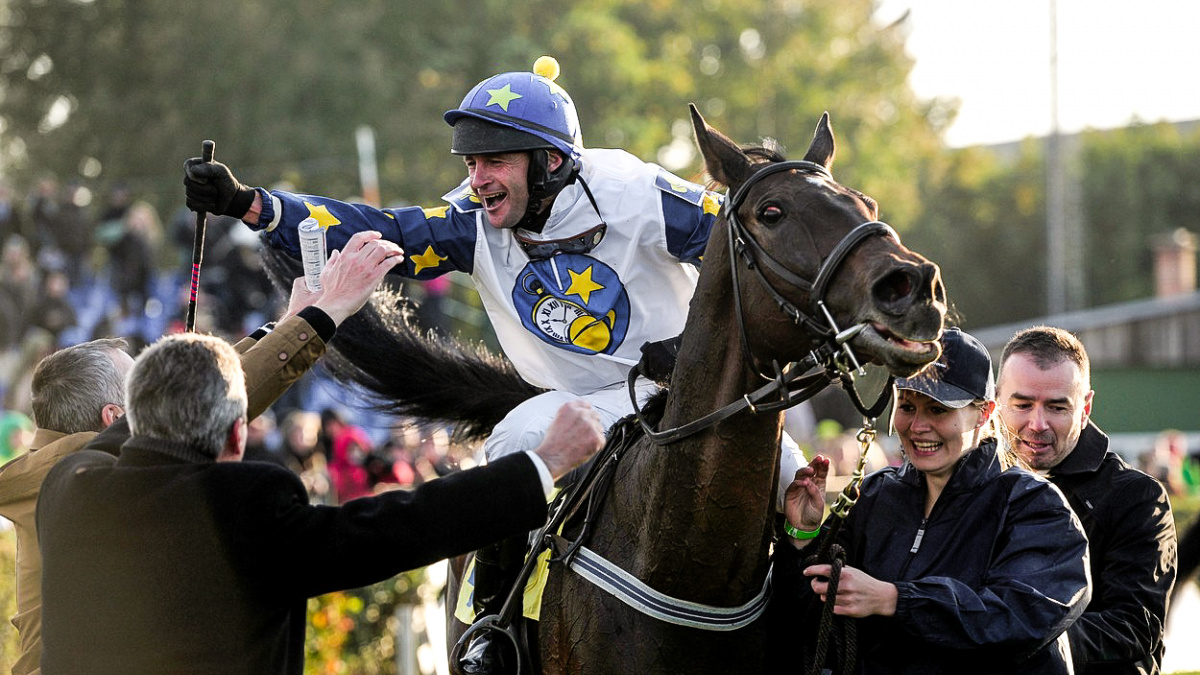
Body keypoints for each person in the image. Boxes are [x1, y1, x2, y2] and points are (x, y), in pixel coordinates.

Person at [184, 55, 807, 667]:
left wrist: (707, 339)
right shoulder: (471, 221)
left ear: (553, 161)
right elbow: (374, 229)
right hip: (580, 402)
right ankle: (491, 625)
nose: (478, 178)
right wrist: (252, 204)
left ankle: (816, 631)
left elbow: (746, 242)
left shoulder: (638, 191)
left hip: (690, 389)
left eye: (494, 161)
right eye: (473, 162)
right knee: (512, 442)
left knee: (792, 474)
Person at [36, 337, 605, 675]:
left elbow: (133, 431)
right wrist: (543, 463)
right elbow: (397, 528)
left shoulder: (68, 488)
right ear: (238, 436)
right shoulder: (244, 507)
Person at [0, 229, 397, 675]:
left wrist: (288, 324)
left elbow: (204, 392)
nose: (155, 399)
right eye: (142, 393)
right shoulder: (76, 474)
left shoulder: (57, 465)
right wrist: (322, 316)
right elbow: (209, 403)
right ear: (116, 418)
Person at [770, 327, 1090, 674]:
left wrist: (895, 599)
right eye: (907, 406)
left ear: (985, 413)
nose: (918, 426)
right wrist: (800, 536)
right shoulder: (873, 496)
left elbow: (1021, 617)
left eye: (938, 409)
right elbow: (801, 617)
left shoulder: (1036, 507)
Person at [997, 326, 1177, 675]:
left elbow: (1134, 627)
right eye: (1022, 404)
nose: (1037, 423)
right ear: (996, 401)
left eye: (1056, 407)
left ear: (1085, 407)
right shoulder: (977, 486)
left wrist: (1008, 636)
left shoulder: (1137, 498)